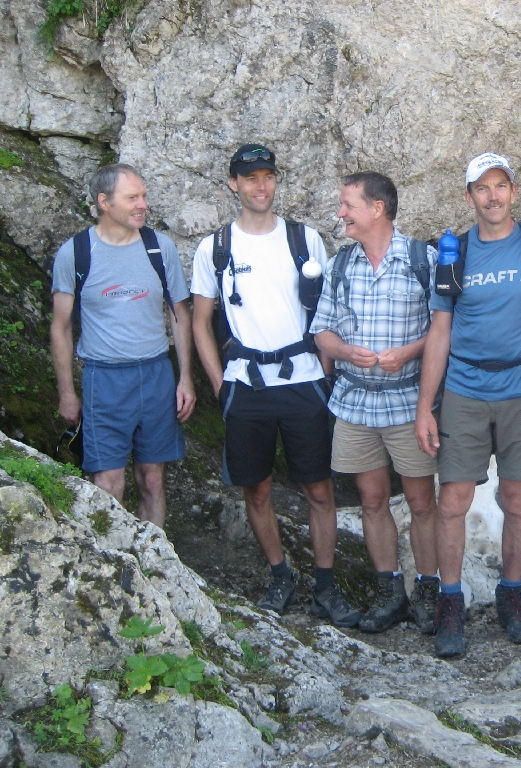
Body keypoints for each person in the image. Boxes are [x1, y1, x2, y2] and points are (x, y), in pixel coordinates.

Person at [190, 144, 359, 624]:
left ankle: (325, 586)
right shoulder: (215, 248)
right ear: (234, 184)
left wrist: (325, 369)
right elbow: (200, 321)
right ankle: (280, 574)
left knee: (319, 488)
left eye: (267, 176)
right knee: (257, 489)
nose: (260, 186)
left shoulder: (304, 240)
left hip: (304, 379)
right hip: (245, 384)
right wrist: (219, 383)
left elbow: (326, 311)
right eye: (250, 178)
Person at [414, 152, 521, 658]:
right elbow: (439, 331)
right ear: (469, 197)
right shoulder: (453, 255)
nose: (492, 196)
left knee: (519, 501)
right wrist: (425, 406)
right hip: (464, 391)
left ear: (514, 191)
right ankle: (451, 600)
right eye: (481, 188)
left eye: (500, 185)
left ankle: (511, 595)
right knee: (453, 501)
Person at [311, 172, 440, 634]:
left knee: (423, 502)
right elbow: (321, 331)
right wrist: (345, 352)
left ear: (377, 209)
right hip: (355, 403)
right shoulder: (340, 265)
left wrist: (407, 352)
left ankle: (428, 589)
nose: (341, 213)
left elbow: (444, 331)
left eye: (348, 205)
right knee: (370, 499)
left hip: (409, 402)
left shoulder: (422, 259)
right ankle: (391, 592)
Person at [50, 163, 195, 527]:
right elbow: (61, 326)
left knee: (152, 478)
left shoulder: (159, 248)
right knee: (107, 483)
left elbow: (180, 315)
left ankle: (155, 568)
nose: (142, 204)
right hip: (105, 379)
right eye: (132, 197)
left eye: (143, 196)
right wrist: (67, 392)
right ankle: (110, 569)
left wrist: (186, 378)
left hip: (156, 374)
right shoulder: (77, 253)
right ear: (104, 202)